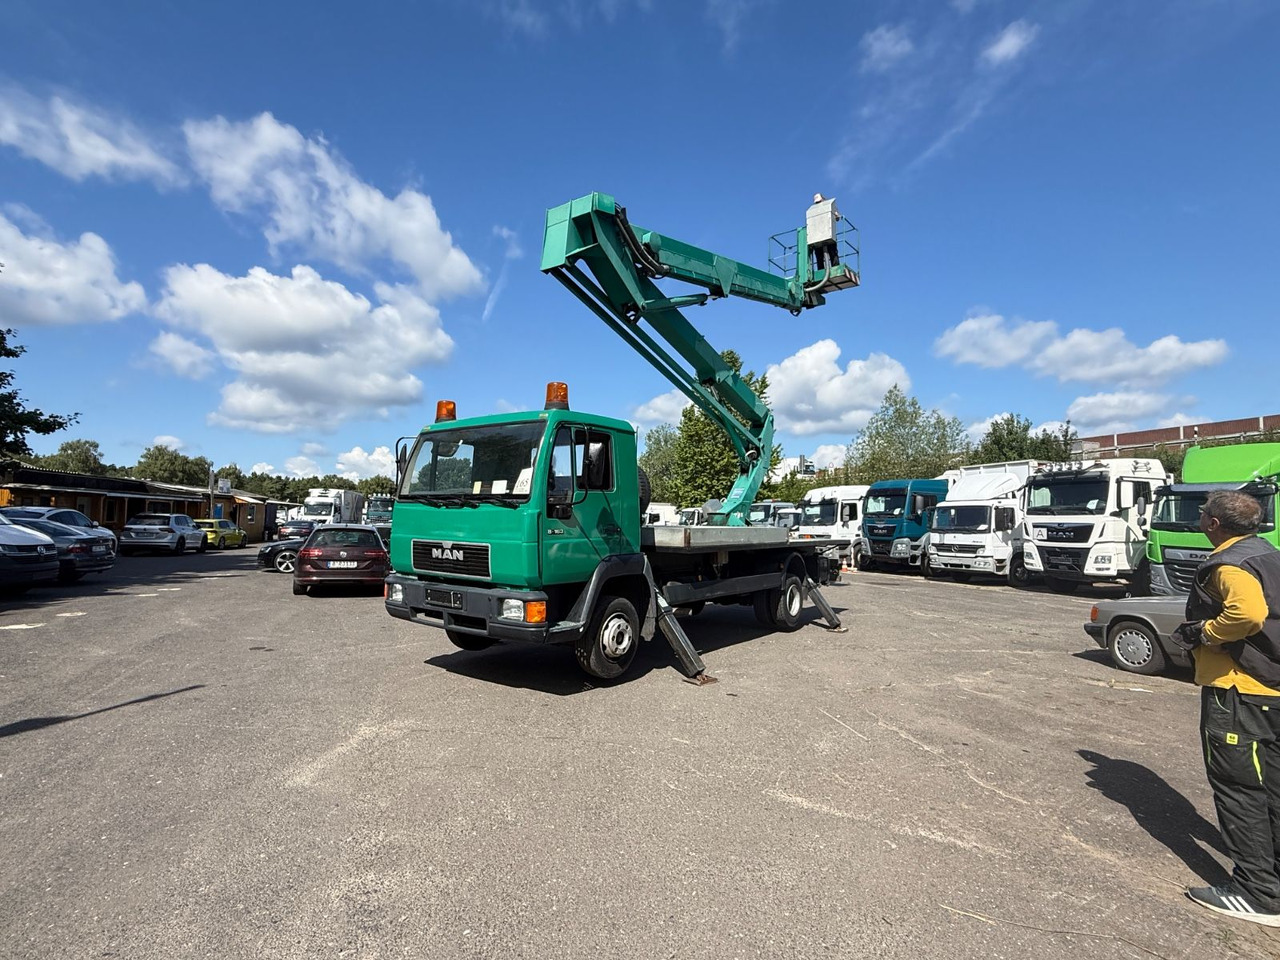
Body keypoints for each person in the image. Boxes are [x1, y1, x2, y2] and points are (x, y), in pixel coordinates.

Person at [1174, 490, 1280, 927]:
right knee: (1272, 785)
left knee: (1239, 787)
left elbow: (1249, 614)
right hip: (1271, 687)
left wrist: (1208, 633)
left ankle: (1258, 893)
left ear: (1214, 523)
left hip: (1238, 688)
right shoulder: (1268, 554)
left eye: (1202, 513)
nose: (1201, 518)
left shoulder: (1228, 564)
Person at [805, 193, 841, 273]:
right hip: (817, 236)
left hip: (828, 233)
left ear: (823, 199)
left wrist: (836, 215)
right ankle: (821, 271)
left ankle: (835, 267)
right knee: (819, 255)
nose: (818, 203)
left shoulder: (830, 206)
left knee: (832, 252)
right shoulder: (813, 209)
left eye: (819, 201)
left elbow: (838, 217)